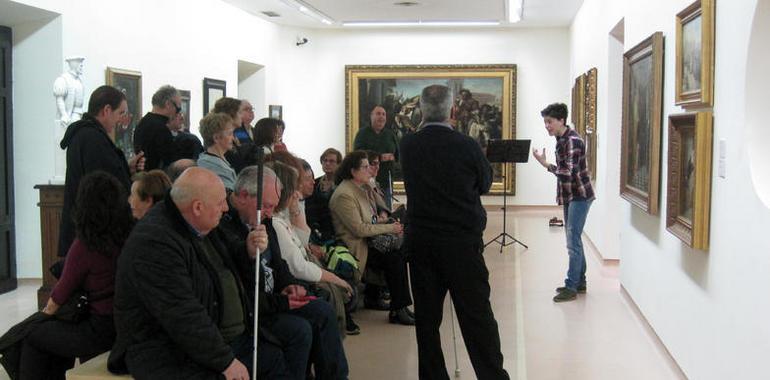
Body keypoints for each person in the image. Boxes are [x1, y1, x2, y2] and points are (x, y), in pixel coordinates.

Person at [109, 167, 267, 379]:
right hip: (163, 349)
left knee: (283, 347)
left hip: (209, 338)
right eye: (220, 202)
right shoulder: (154, 241)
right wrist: (225, 360)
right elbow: (181, 313)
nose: (226, 208)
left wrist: (248, 250)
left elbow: (232, 254)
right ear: (198, 207)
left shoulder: (197, 223)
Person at [401, 84, 509, 380]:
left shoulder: (408, 146)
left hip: (422, 244)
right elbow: (485, 183)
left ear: (421, 110)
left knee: (427, 321)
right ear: (452, 111)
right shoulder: (467, 145)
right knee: (477, 318)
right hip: (462, 244)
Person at [218, 165, 349, 379]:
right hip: (257, 308)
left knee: (322, 310)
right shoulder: (224, 228)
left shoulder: (264, 219)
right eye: (267, 206)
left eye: (273, 206)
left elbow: (278, 264)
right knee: (300, 330)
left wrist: (289, 284)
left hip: (275, 296)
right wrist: (282, 301)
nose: (271, 213)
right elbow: (245, 289)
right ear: (243, 196)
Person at [19, 171, 134, 379]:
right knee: (56, 334)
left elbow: (59, 296)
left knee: (33, 334)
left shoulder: (86, 245)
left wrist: (39, 318)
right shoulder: (132, 235)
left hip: (99, 329)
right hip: (125, 325)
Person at [58, 85, 145, 258]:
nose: (122, 120)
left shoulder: (87, 135)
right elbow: (103, 185)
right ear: (106, 110)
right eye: (121, 113)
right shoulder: (92, 139)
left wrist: (125, 168)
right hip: (96, 233)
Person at [329, 151, 414, 326]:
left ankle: (399, 307)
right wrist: (390, 227)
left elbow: (374, 215)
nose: (370, 170)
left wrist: (372, 189)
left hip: (369, 241)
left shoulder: (361, 188)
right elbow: (359, 229)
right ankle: (398, 309)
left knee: (398, 253)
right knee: (394, 259)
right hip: (356, 247)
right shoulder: (344, 194)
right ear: (353, 171)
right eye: (366, 167)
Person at [532, 102, 595, 302]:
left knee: (572, 242)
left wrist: (545, 164)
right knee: (574, 238)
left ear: (561, 120)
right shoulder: (562, 138)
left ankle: (571, 286)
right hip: (571, 195)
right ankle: (580, 282)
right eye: (545, 122)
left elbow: (567, 173)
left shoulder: (572, 141)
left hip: (580, 195)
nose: (547, 126)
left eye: (549, 122)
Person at [353, 106, 399, 209]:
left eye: (384, 114)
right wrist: (379, 157)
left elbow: (397, 154)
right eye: (378, 114)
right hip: (366, 182)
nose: (381, 117)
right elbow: (357, 154)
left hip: (386, 182)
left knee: (386, 212)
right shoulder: (362, 134)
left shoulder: (390, 134)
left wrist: (393, 158)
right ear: (371, 116)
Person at [133, 85, 182, 171]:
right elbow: (169, 164)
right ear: (168, 104)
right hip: (155, 179)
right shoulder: (161, 129)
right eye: (178, 109)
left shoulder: (142, 123)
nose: (177, 114)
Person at [306, 148, 342, 242]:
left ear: (338, 164)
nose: (327, 163)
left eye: (332, 161)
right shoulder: (315, 182)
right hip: (317, 226)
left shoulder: (342, 184)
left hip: (336, 226)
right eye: (325, 160)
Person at [197, 112, 238, 191]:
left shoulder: (216, 160)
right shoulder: (211, 165)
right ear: (216, 138)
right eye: (229, 134)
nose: (233, 138)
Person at [53, 56, 85, 128]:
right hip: (71, 115)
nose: (82, 66)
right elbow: (59, 98)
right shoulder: (63, 79)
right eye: (80, 64)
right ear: (74, 65)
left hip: (79, 114)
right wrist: (64, 115)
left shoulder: (79, 80)